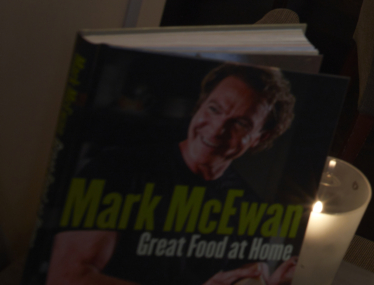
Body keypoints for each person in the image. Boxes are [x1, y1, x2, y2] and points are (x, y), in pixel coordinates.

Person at [45, 64, 298, 285]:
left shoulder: (252, 213)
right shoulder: (117, 168)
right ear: (199, 105)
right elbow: (67, 277)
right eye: (214, 109)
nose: (217, 129)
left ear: (260, 138)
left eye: (240, 123)